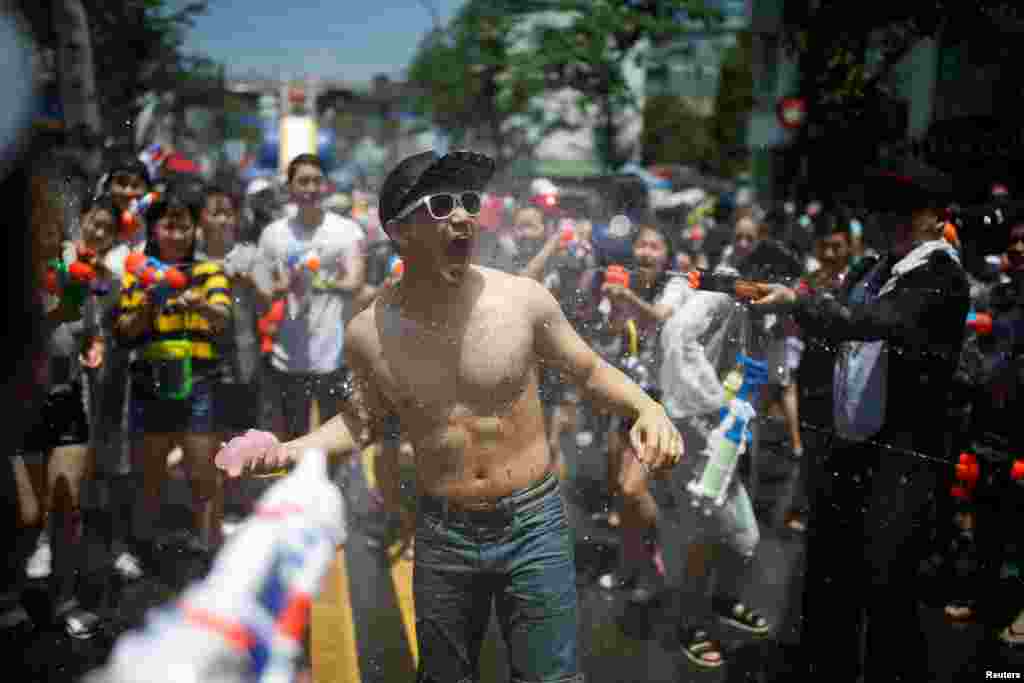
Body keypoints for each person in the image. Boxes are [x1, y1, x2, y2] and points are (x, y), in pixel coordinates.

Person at [219, 150, 684, 683]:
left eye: (467, 202)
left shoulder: (521, 300)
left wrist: (646, 407)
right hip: (443, 530)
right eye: (441, 205)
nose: (463, 216)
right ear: (399, 230)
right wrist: (283, 452)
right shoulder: (370, 333)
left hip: (533, 522)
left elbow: (590, 371)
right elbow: (360, 421)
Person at [752, 167, 970, 682]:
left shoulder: (940, 278)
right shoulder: (875, 267)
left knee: (887, 590)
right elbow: (836, 316)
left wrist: (797, 302)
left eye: (903, 210)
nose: (885, 219)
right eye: (881, 209)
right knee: (830, 579)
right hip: (849, 452)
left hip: (901, 462)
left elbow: (870, 322)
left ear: (937, 220)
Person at [115, 181, 234, 558]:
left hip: (199, 380)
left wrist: (198, 303)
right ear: (154, 229)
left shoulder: (210, 271)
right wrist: (150, 302)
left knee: (203, 472)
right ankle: (145, 546)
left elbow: (223, 318)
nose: (178, 234)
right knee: (149, 473)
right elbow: (124, 330)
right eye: (169, 226)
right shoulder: (139, 274)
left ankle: (210, 546)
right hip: (150, 381)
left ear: (195, 230)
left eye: (184, 226)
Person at [252, 154, 366, 442]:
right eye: (303, 181)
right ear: (290, 187)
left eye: (317, 181)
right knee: (294, 440)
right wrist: (285, 284)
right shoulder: (273, 235)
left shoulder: (345, 231)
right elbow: (262, 294)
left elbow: (355, 282)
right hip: (288, 357)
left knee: (335, 440)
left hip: (335, 356)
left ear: (325, 186)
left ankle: (335, 487)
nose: (311, 188)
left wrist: (322, 280)